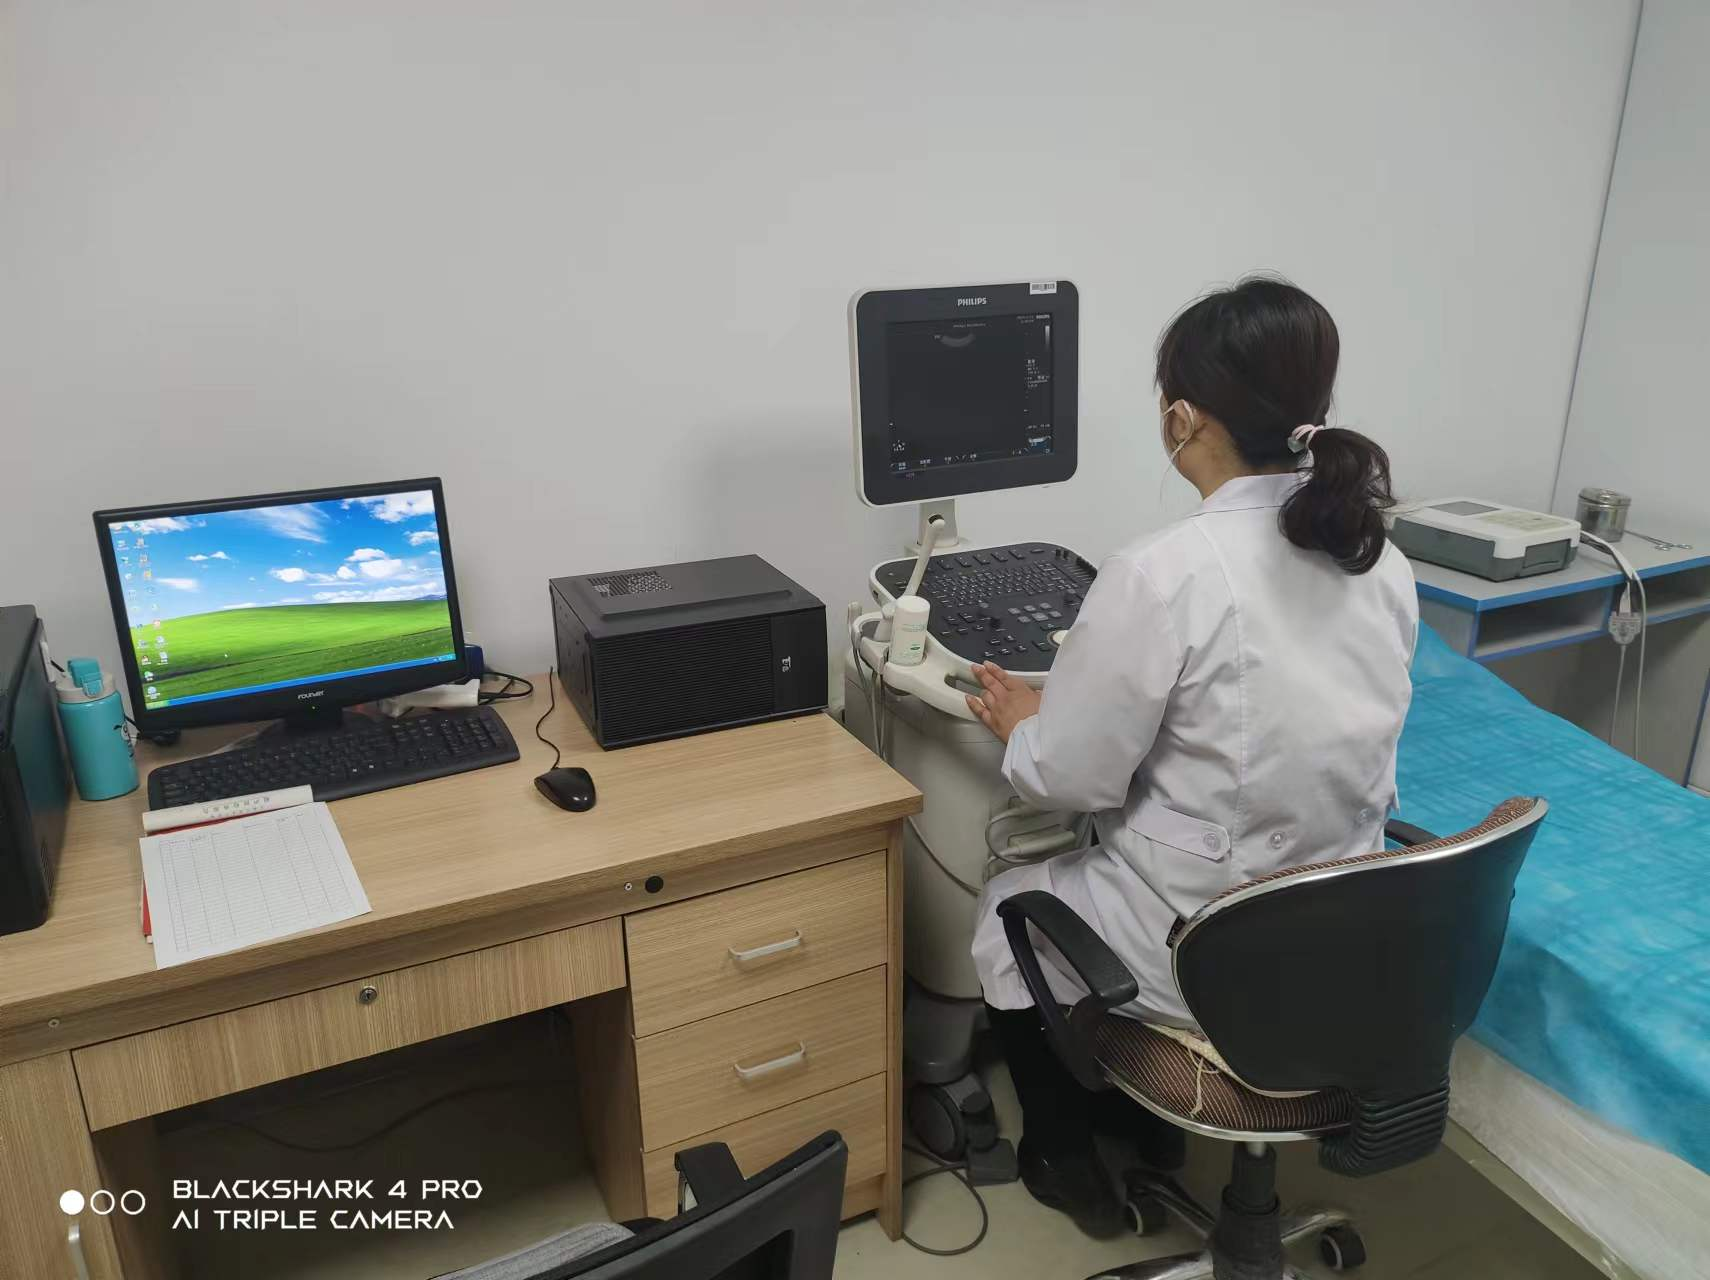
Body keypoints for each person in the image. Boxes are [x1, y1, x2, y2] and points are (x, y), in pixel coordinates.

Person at [965, 275, 1419, 1236]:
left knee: (1009, 907)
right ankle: (1155, 1136)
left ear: (1182, 419)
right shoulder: (1378, 558)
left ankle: (1061, 1155)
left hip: (1214, 949)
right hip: (1351, 939)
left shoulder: (1161, 572)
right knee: (1112, 873)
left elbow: (1070, 778)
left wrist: (1023, 726)